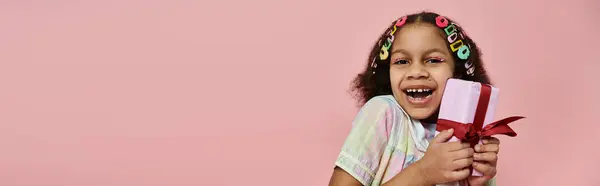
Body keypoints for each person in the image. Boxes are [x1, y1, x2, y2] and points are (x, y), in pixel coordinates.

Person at [328, 11, 500, 186]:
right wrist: (423, 173)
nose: (416, 72)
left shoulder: (467, 134)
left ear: (457, 72)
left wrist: (474, 182)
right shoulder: (383, 113)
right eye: (402, 61)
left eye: (433, 60)